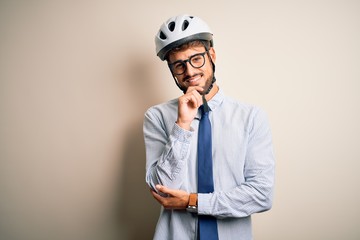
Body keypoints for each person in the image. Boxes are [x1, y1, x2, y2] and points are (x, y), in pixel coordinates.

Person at [143, 14, 275, 240]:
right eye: (179, 65)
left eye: (196, 59)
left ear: (211, 55)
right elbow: (161, 189)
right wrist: (182, 125)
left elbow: (261, 194)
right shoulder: (157, 117)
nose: (190, 72)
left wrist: (191, 201)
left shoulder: (251, 118)